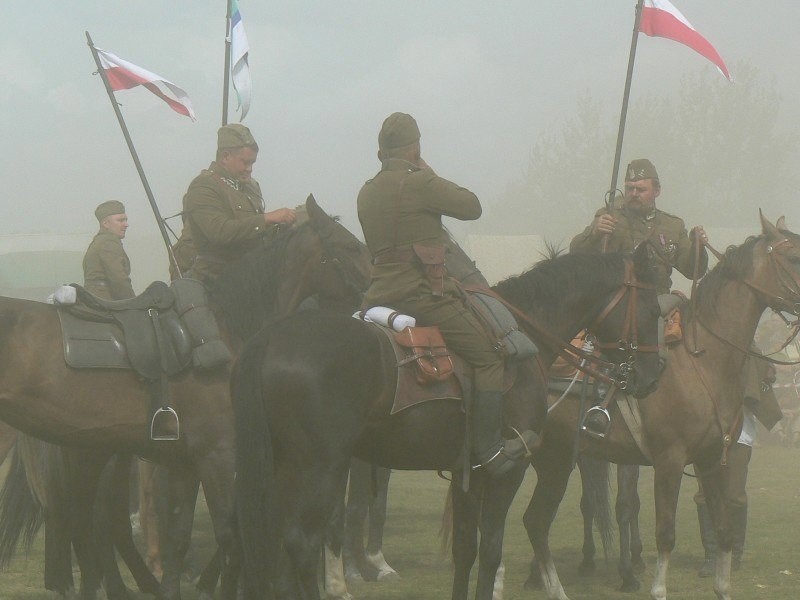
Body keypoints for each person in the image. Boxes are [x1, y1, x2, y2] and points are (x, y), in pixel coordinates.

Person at [356, 112, 537, 478]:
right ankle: (489, 450)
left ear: (381, 151)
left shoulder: (366, 191)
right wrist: (427, 171)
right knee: (488, 357)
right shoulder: (422, 182)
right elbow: (471, 206)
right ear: (415, 147)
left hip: (377, 298)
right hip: (421, 296)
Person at [569, 158, 708, 435]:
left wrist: (698, 247)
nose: (633, 193)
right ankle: (603, 402)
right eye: (629, 188)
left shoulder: (672, 225)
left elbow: (694, 269)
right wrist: (596, 233)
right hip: (615, 301)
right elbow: (576, 254)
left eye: (640, 189)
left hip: (657, 299)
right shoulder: (609, 217)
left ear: (656, 190)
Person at [695, 345, 783, 576]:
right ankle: (712, 556)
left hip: (740, 428)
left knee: (734, 494)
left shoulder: (747, 347)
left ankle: (734, 554)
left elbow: (763, 373)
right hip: (705, 429)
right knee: (706, 494)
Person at [178, 123, 296, 285]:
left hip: (249, 273)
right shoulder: (203, 186)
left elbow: (255, 235)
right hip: (213, 280)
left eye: (252, 163)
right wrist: (267, 219)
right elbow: (220, 232)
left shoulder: (251, 187)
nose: (250, 169)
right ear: (225, 157)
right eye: (245, 162)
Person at [83, 200, 135, 300]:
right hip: (106, 302)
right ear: (106, 223)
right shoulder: (108, 241)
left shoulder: (99, 241)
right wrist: (134, 303)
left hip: (96, 298)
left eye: (126, 220)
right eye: (120, 220)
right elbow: (119, 279)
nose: (126, 224)